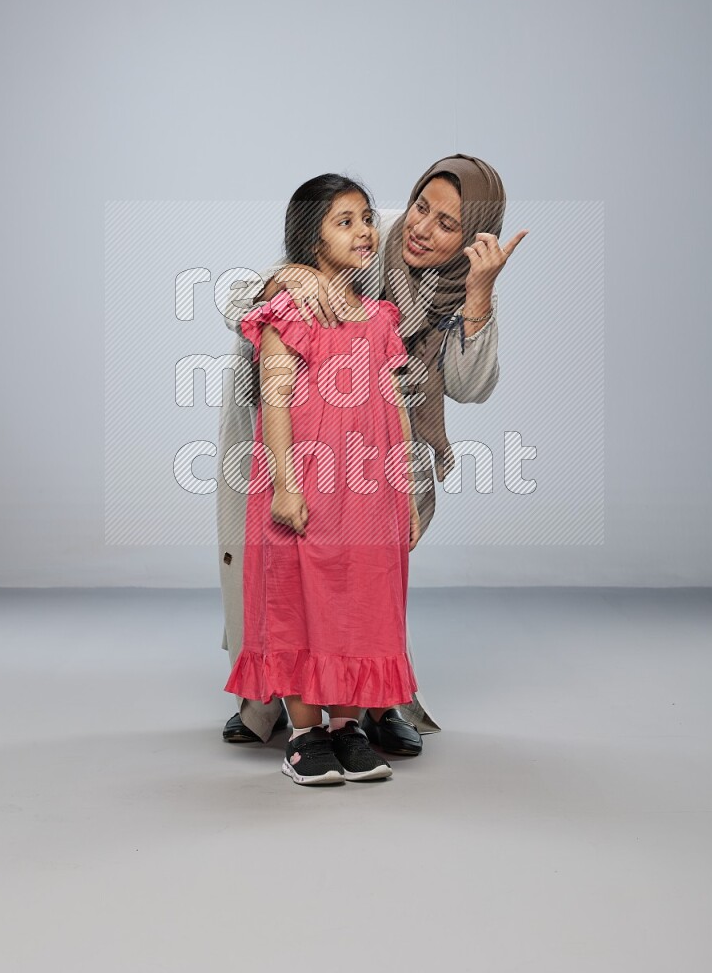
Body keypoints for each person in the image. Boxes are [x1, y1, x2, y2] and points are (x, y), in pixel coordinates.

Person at [218, 155, 527, 753]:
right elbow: (240, 304)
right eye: (421, 207)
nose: (422, 229)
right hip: (294, 439)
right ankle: (270, 703)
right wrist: (283, 276)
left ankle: (375, 705)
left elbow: (468, 385)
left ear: (473, 238)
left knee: (368, 583)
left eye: (448, 224)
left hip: (385, 445)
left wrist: (482, 297)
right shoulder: (362, 233)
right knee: (278, 574)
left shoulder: (465, 286)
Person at [224, 174, 420, 786]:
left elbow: (398, 407)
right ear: (311, 240)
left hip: (368, 490)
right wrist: (285, 482)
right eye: (345, 221)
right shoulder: (288, 311)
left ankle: (346, 725)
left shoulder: (382, 318)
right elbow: (276, 400)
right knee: (299, 599)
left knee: (361, 600)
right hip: (307, 481)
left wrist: (408, 490)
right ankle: (305, 732)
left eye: (367, 218)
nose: (365, 230)